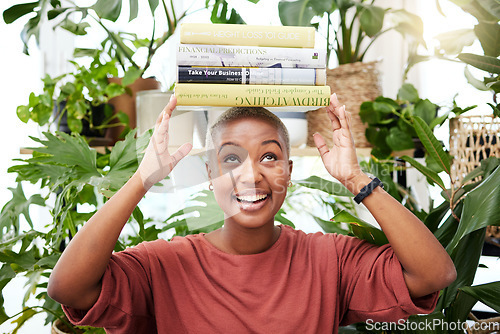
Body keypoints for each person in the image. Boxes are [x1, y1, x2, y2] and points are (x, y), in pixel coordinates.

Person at [47, 94, 456, 333]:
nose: (250, 175)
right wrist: (141, 180)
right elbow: (69, 288)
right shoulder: (164, 264)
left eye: (269, 156)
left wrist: (355, 178)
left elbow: (434, 275)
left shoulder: (330, 259)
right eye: (230, 159)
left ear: (289, 172)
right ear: (210, 174)